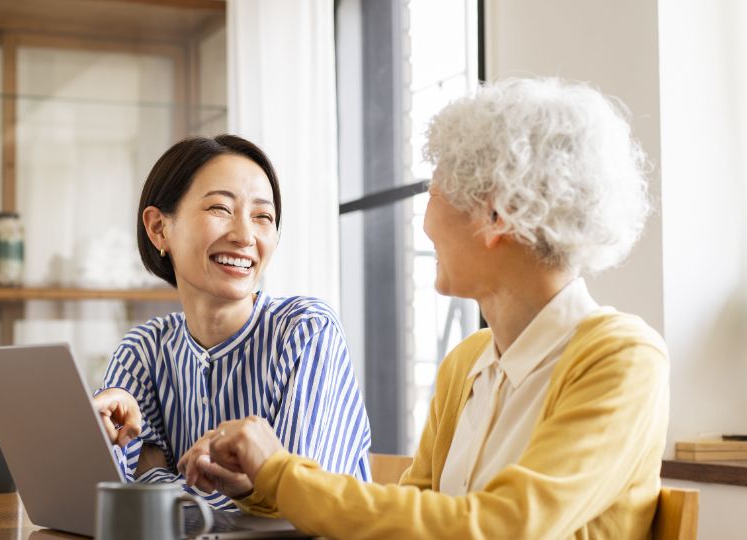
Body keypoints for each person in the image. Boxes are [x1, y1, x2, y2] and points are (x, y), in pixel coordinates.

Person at [196, 78, 670, 538]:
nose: (424, 224)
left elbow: (498, 527)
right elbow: (411, 522)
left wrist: (282, 474)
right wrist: (263, 485)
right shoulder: (467, 363)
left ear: (496, 214)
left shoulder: (623, 357)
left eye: (434, 192)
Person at [92, 134, 372, 510]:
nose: (244, 236)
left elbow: (298, 507)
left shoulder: (306, 332)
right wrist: (111, 444)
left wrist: (153, 472)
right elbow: (105, 500)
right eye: (220, 209)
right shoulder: (144, 350)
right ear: (159, 227)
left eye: (263, 217)